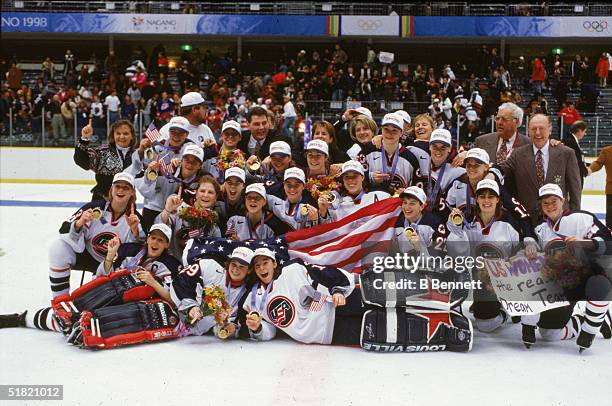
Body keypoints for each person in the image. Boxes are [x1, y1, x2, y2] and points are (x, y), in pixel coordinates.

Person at [1, 224, 179, 335]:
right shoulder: (130, 250)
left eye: (161, 240)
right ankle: (20, 319)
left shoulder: (170, 265)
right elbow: (103, 276)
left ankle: (25, 320)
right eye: (153, 238)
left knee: (85, 320)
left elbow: (172, 299)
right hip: (109, 293)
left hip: (135, 305)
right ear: (147, 239)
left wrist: (153, 281)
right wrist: (110, 256)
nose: (155, 243)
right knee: (72, 314)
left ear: (167, 245)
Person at [522, 183, 612, 351]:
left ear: (563, 201)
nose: (550, 206)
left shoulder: (582, 218)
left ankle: (591, 327)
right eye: (545, 203)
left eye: (554, 201)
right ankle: (583, 320)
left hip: (588, 278)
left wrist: (586, 243)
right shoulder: (540, 230)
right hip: (562, 286)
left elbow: (609, 242)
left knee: (600, 283)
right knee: (549, 334)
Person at [48, 172, 144, 299]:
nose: (120, 190)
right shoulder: (94, 208)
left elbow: (140, 251)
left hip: (112, 264)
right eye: (117, 186)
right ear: (112, 189)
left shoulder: (135, 219)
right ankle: (60, 300)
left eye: (126, 188)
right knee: (58, 247)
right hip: (87, 255)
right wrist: (79, 223)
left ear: (132, 192)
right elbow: (64, 228)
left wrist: (135, 231)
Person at [447, 179, 525, 333]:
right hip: (481, 279)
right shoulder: (467, 220)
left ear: (498, 199)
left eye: (491, 196)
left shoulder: (510, 222)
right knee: (485, 323)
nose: (486, 200)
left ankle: (506, 308)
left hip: (506, 279)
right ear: (476, 199)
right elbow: (459, 255)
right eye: (482, 197)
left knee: (486, 324)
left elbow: (520, 255)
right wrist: (455, 230)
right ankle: (493, 306)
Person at [240, 248, 362, 345]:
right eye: (257, 266)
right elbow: (271, 331)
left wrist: (337, 289)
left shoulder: (291, 271)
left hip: (336, 306)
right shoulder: (255, 299)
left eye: (265, 263)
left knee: (375, 300)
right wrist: (258, 328)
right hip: (329, 334)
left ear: (275, 264)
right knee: (376, 329)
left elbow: (320, 273)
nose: (261, 268)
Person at [498, 114, 582, 225]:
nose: (537, 133)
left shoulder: (566, 153)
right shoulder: (518, 154)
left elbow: (575, 189)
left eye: (541, 128)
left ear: (550, 129)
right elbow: (501, 169)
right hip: (526, 222)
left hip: (560, 220)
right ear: (528, 131)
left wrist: (574, 216)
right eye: (533, 129)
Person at [171, 246, 254, 338]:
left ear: (249, 270)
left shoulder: (249, 293)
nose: (235, 269)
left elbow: (227, 324)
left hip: (198, 339)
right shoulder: (210, 267)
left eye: (241, 266)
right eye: (233, 264)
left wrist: (224, 329)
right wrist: (191, 306)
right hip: (174, 318)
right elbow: (179, 281)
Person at [137, 144, 204, 232]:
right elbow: (146, 187)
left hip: (177, 217)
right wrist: (151, 172)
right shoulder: (168, 168)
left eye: (195, 162)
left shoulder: (201, 180)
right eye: (187, 160)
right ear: (182, 160)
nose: (190, 164)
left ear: (200, 165)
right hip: (154, 210)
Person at [357, 113, 424, 195]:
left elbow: (417, 187)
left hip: (399, 205)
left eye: (394, 130)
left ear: (401, 133)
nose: (389, 133)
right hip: (371, 203)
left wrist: (408, 192)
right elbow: (354, 177)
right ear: (381, 130)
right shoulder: (368, 150)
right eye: (386, 129)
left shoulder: (411, 158)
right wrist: (369, 177)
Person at [157, 174, 222, 258]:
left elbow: (215, 253)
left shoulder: (214, 225)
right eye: (202, 191)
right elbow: (160, 227)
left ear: (216, 197)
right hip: (173, 262)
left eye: (210, 192)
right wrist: (167, 210)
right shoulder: (181, 209)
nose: (205, 195)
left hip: (196, 268)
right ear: (196, 193)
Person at [75, 119, 137, 201]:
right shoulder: (102, 152)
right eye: (118, 133)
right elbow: (82, 161)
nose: (122, 136)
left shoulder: (137, 156)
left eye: (125, 133)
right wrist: (84, 139)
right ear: (113, 135)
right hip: (102, 201)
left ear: (132, 136)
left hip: (126, 202)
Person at [319, 160, 389, 222]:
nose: (350, 180)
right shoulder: (336, 203)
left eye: (355, 176)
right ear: (343, 179)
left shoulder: (379, 196)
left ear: (362, 177)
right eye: (347, 176)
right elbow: (329, 231)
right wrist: (323, 212)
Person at [392, 186, 448, 256]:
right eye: (405, 202)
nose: (406, 207)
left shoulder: (435, 223)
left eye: (412, 203)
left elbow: (439, 256)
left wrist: (419, 247)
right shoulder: (396, 222)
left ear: (422, 206)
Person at [202, 120, 244, 184]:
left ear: (240, 137)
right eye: (227, 133)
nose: (230, 136)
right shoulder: (211, 153)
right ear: (221, 136)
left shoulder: (243, 159)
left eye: (234, 134)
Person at [587, 145, 612, 226]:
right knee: (610, 217)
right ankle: (609, 235)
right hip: (611, 190)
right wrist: (590, 169)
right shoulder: (607, 151)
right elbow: (598, 163)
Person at [562, 120, 589, 187]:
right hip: (572, 179)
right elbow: (575, 161)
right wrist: (585, 171)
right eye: (584, 131)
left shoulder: (572, 140)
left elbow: (579, 158)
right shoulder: (571, 142)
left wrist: (589, 165)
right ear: (579, 130)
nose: (585, 134)